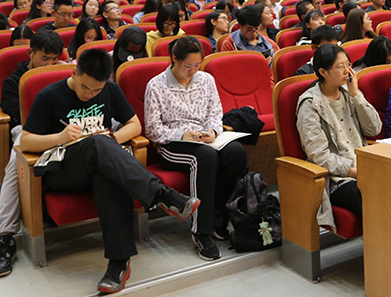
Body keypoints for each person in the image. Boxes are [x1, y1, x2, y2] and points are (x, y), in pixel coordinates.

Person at [18, 48, 200, 293]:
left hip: (100, 163)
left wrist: (111, 142)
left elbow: (134, 125)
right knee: (98, 143)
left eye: (96, 90)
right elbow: (25, 142)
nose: (89, 94)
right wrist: (60, 137)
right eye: (85, 87)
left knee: (108, 174)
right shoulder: (49, 96)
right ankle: (161, 194)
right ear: (74, 73)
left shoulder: (110, 90)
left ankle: (118, 263)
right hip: (64, 170)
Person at [144, 36, 248, 260]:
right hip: (172, 144)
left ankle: (219, 212)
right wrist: (181, 135)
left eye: (197, 65)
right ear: (174, 59)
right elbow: (152, 130)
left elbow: (215, 114)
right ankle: (201, 231)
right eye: (187, 66)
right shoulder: (156, 86)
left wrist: (213, 132)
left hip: (203, 139)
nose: (192, 71)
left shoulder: (206, 80)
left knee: (236, 152)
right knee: (205, 157)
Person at [0, 30, 65, 278]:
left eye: (54, 59)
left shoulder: (63, 73)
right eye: (45, 58)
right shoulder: (14, 81)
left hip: (64, 127)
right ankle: (5, 237)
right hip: (28, 130)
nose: (49, 64)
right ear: (31, 53)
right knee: (17, 157)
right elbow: (17, 114)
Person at [296, 44, 381, 228]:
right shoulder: (310, 104)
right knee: (375, 198)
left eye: (348, 64)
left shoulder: (349, 93)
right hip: (337, 179)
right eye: (340, 66)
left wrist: (357, 95)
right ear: (323, 72)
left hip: (365, 166)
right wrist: (357, 173)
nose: (347, 71)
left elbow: (374, 129)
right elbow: (319, 156)